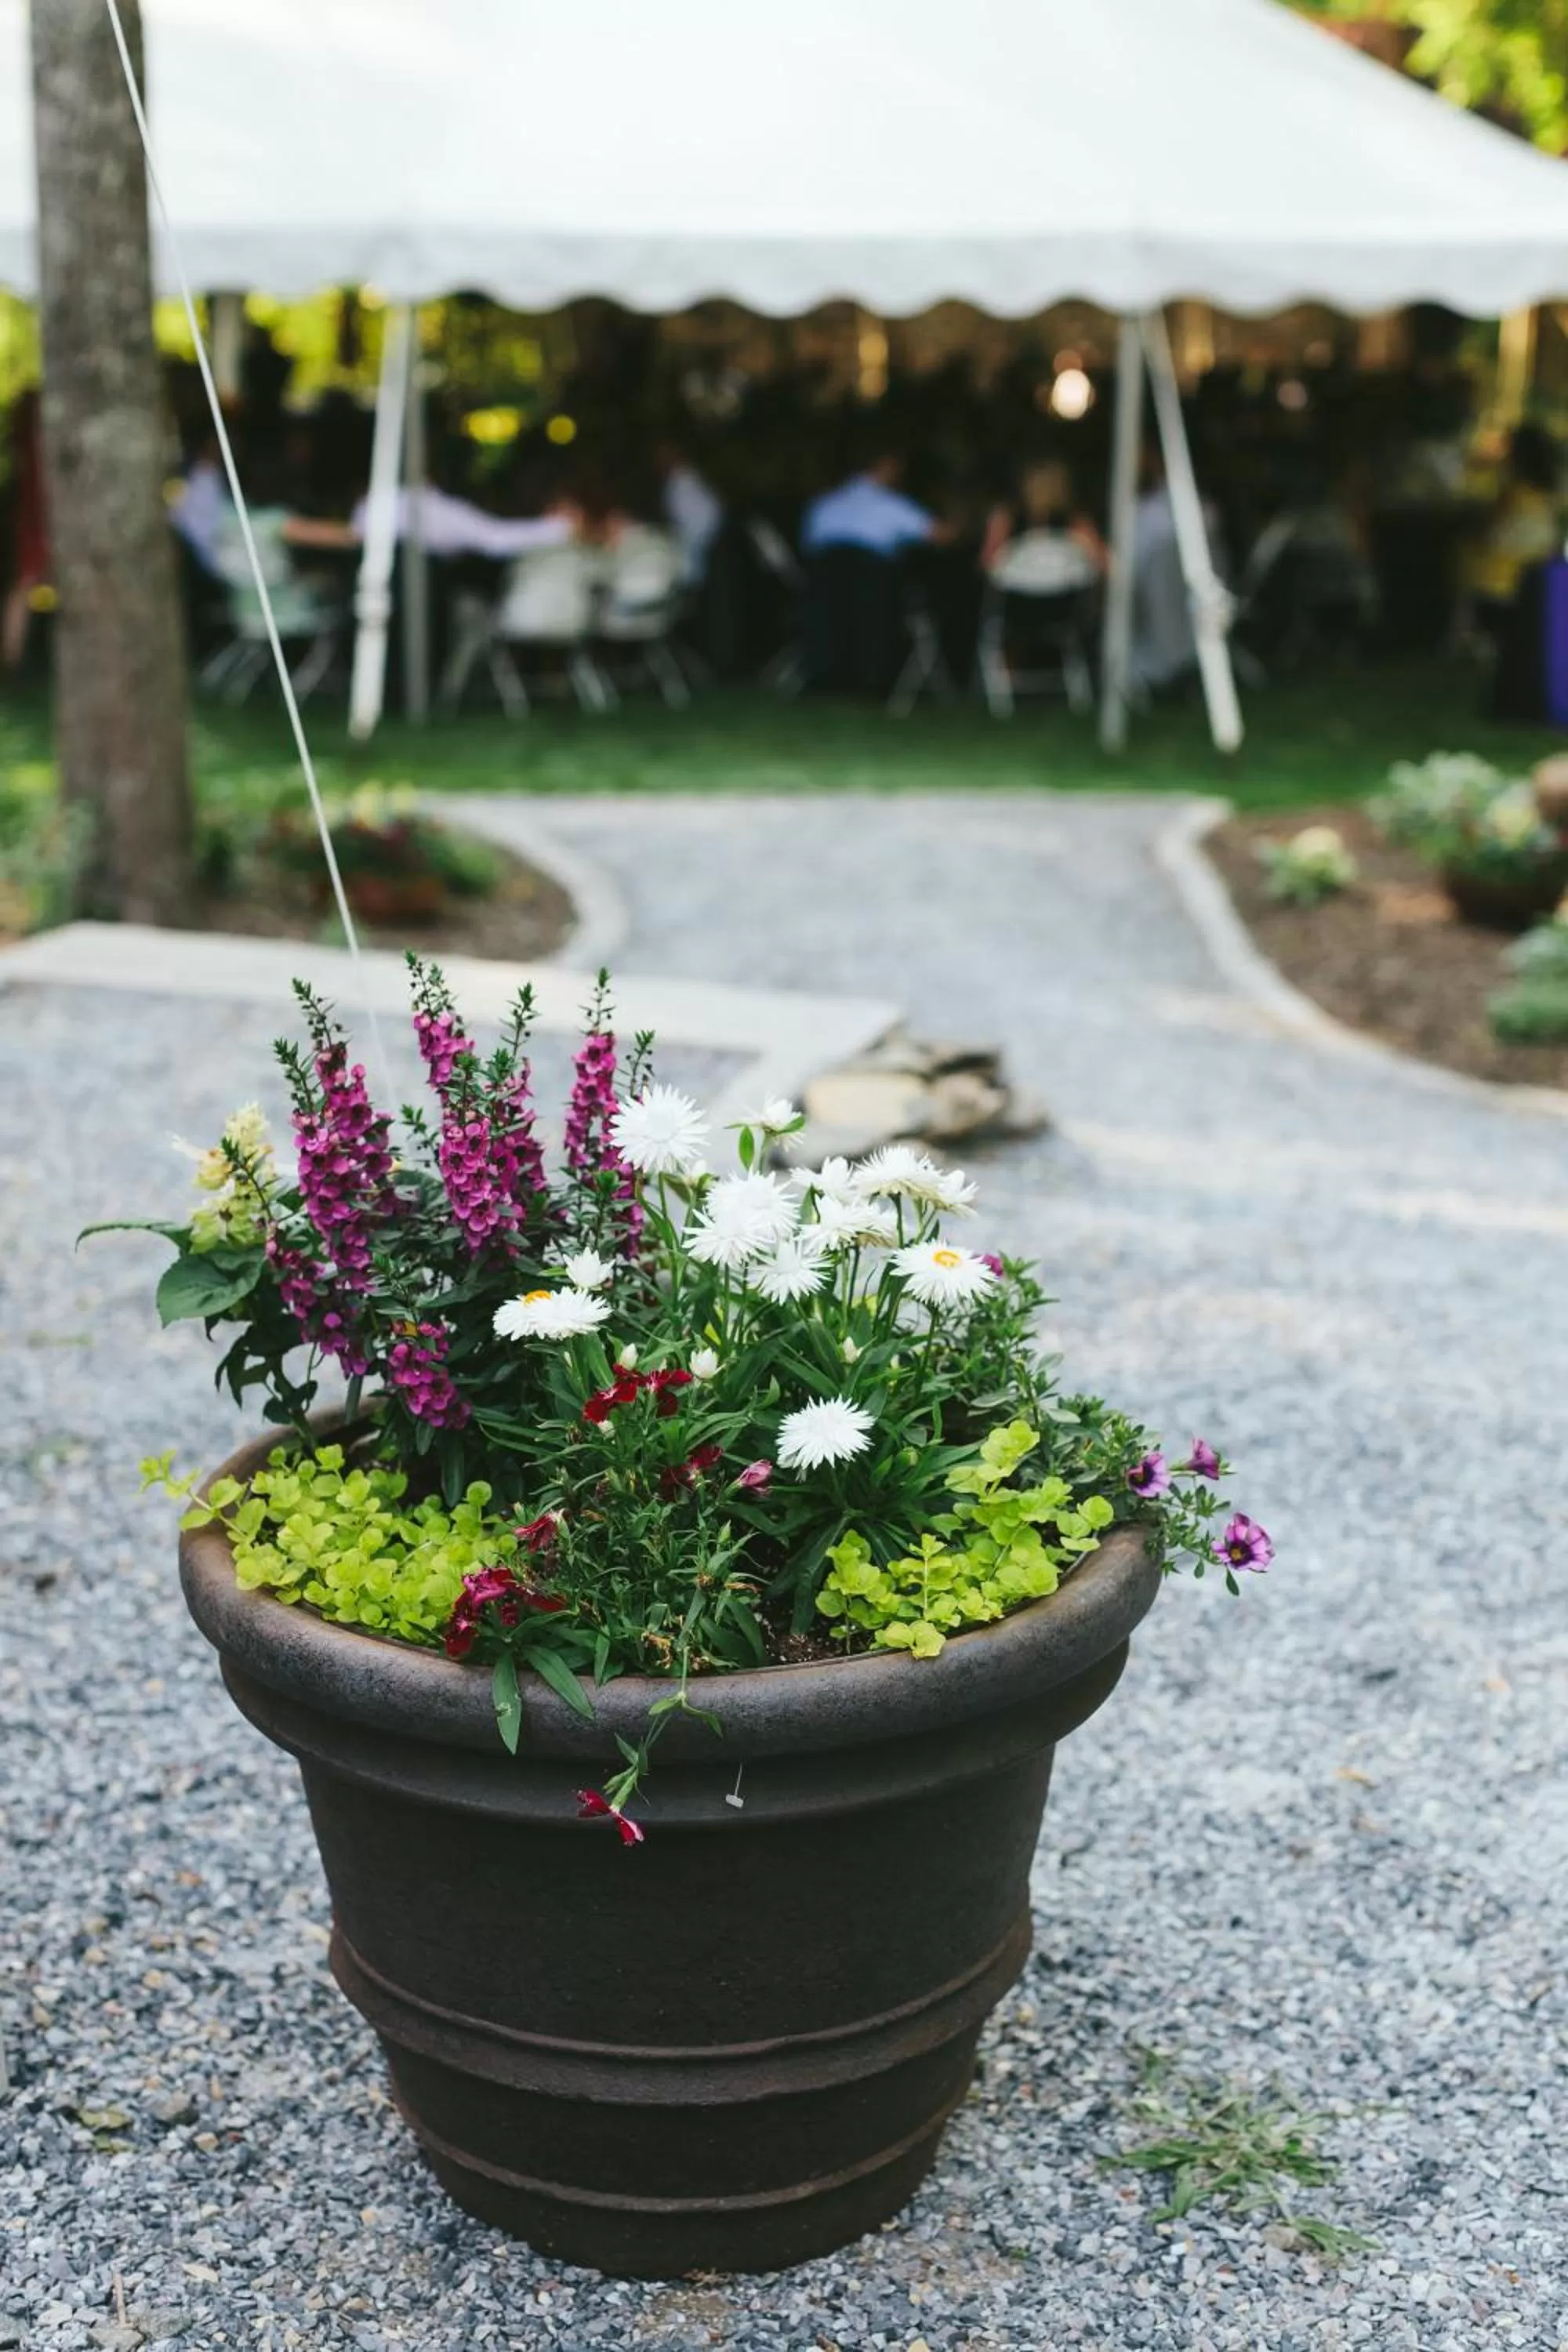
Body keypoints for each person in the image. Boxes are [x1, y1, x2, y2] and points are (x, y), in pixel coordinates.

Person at [800, 452, 943, 558]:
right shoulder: (891, 504)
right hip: (873, 591)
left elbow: (809, 548)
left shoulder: (821, 503)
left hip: (824, 592)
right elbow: (940, 536)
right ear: (887, 465)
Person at [980, 458, 1108, 576]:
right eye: (1036, 485)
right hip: (1017, 596)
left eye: (1047, 486)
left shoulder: (1076, 523)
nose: (1041, 492)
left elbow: (1103, 563)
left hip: (1065, 595)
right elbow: (988, 564)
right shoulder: (1006, 519)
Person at [2, 389, 48, 673]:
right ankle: (11, 659)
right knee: (25, 583)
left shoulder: (24, 411)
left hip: (32, 509)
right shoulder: (35, 409)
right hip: (41, 511)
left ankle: (12, 657)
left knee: (24, 583)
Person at [654, 440, 723, 584]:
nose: (659, 462)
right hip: (698, 549)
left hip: (707, 549)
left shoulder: (687, 483)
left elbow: (707, 519)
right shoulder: (676, 483)